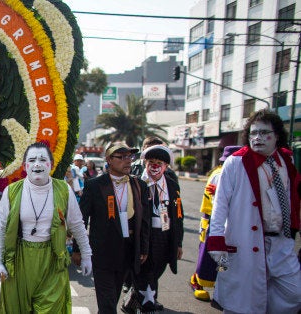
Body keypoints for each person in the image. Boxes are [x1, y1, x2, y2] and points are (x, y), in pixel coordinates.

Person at [207, 109, 301, 313]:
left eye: (264, 132)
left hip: (280, 242)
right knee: (238, 300)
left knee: (293, 294)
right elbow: (220, 203)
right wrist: (216, 237)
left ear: (277, 136)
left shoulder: (286, 161)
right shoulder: (236, 162)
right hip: (244, 243)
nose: (257, 138)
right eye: (253, 133)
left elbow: (294, 199)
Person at [0, 142, 92, 313]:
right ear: (25, 166)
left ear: (51, 165)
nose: (37, 164)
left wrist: (86, 255)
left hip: (53, 260)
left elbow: (77, 225)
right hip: (19, 261)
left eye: (42, 159)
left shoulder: (63, 190)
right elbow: (1, 229)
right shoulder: (11, 192)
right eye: (32, 160)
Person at [75, 143, 149, 314]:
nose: (127, 161)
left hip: (129, 250)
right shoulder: (95, 185)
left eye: (129, 157)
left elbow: (144, 221)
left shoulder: (139, 186)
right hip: (103, 252)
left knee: (112, 298)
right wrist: (79, 250)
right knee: (108, 304)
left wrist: (143, 248)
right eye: (121, 157)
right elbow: (81, 219)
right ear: (108, 160)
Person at [125, 144, 184, 312]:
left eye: (160, 162)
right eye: (151, 161)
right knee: (144, 271)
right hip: (143, 236)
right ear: (145, 163)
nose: (155, 166)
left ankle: (140, 298)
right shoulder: (135, 183)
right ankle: (146, 302)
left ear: (166, 166)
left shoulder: (172, 185)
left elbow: (178, 215)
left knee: (157, 269)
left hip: (164, 236)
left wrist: (178, 243)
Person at [189, 145, 241, 301]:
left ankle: (222, 285)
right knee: (210, 257)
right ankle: (197, 282)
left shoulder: (235, 174)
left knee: (226, 259)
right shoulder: (220, 174)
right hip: (215, 224)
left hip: (230, 224)